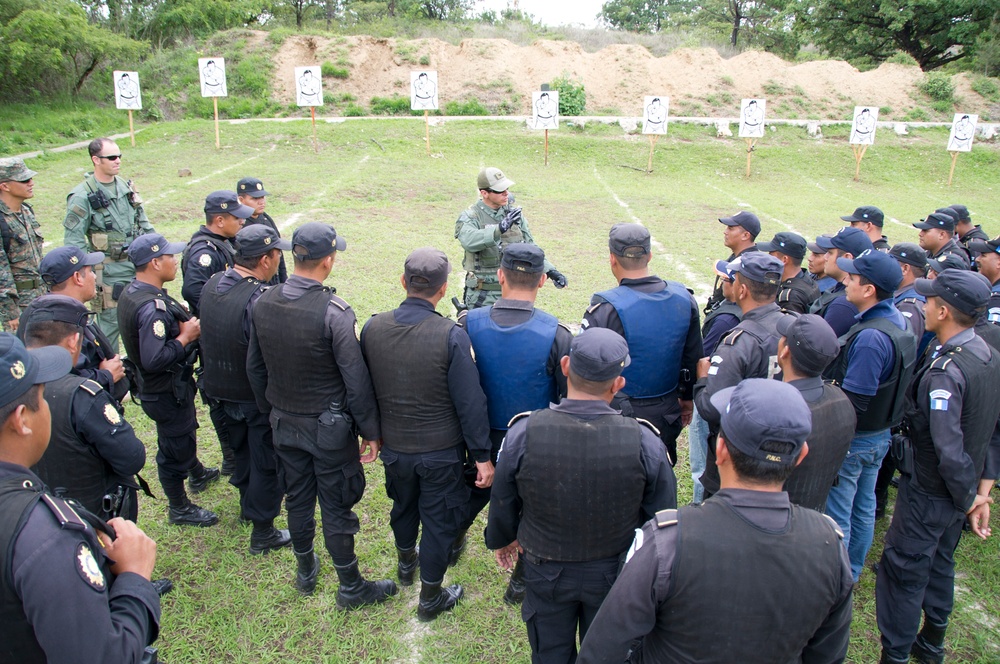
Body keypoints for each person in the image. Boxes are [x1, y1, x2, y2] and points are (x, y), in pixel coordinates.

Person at [577, 379, 853, 664]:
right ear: (800, 456)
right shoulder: (831, 545)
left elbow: (603, 648)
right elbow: (828, 654)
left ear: (720, 450)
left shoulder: (668, 543)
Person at [486, 328, 675, 664]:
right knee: (605, 652)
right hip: (614, 573)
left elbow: (503, 498)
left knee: (550, 652)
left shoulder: (523, 433)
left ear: (564, 366)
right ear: (618, 384)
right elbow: (660, 518)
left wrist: (503, 538)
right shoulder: (645, 442)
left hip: (545, 569)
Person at [247, 222, 396, 607]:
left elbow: (255, 367)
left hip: (284, 421)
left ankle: (306, 572)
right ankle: (350, 586)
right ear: (327, 262)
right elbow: (356, 380)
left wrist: (274, 409)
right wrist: (371, 431)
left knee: (297, 497)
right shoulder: (334, 313)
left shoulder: (263, 301)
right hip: (327, 429)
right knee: (335, 504)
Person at [0, 333, 161, 662]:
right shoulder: (45, 537)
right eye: (43, 398)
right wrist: (134, 578)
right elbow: (104, 656)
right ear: (21, 420)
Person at [361, 247, 493, 620]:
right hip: (441, 453)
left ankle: (406, 564)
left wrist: (372, 432)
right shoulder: (450, 336)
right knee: (438, 524)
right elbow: (471, 403)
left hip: (396, 449)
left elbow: (362, 387)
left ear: (403, 283)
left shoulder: (373, 327)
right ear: (443, 288)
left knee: (402, 507)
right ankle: (430, 598)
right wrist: (482, 457)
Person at [876, 270, 1000, 664]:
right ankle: (931, 642)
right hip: (955, 492)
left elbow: (949, 448)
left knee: (903, 574)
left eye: (930, 301)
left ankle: (895, 655)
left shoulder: (948, 372)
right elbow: (991, 429)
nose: (923, 305)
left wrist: (967, 498)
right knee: (941, 563)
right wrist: (981, 492)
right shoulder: (986, 354)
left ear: (944, 311)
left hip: (932, 492)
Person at [457, 242, 572, 603]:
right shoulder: (558, 334)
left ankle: (448, 544)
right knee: (535, 513)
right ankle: (521, 582)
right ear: (540, 282)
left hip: (479, 441)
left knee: (467, 497)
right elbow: (566, 399)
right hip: (535, 444)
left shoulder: (465, 325)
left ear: (500, 275)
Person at [198, 225, 291, 555]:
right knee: (265, 460)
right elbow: (266, 356)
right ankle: (263, 530)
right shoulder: (259, 299)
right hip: (252, 396)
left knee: (240, 453)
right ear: (266, 259)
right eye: (278, 255)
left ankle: (247, 505)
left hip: (219, 390)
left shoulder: (212, 285)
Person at [823, 249, 916, 582]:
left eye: (853, 277)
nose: (845, 280)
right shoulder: (895, 319)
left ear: (869, 289)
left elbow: (855, 400)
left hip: (858, 439)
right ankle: (854, 570)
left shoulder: (871, 338)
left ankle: (837, 578)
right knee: (863, 506)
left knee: (840, 510)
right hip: (880, 434)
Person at [118, 233, 220, 527]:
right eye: (169, 257)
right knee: (175, 447)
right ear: (154, 262)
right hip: (164, 390)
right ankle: (180, 507)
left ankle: (197, 471)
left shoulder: (136, 292)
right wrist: (186, 337)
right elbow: (153, 359)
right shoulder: (152, 307)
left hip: (162, 389)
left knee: (182, 435)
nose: (175, 262)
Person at [581, 223, 702, 464]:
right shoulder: (684, 298)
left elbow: (588, 369)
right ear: (649, 255)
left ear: (612, 259)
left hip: (616, 415)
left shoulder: (606, 308)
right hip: (666, 412)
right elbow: (692, 356)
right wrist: (687, 397)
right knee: (661, 473)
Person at [21, 297, 146, 521]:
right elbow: (132, 458)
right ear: (73, 341)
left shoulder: (10, 387)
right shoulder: (82, 395)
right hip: (91, 519)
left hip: (35, 516)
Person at [694, 252, 787, 499]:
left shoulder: (738, 343)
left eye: (732, 279)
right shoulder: (791, 327)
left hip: (738, 456)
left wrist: (703, 379)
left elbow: (711, 408)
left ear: (742, 290)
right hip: (779, 448)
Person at [182, 190, 253, 477]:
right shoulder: (204, 251)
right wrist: (226, 310)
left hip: (225, 332)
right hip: (215, 336)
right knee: (222, 397)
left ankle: (234, 457)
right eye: (237, 218)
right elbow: (194, 291)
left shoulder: (222, 242)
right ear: (219, 219)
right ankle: (232, 458)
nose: (242, 223)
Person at [64, 138, 154, 352]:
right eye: (112, 157)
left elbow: (143, 222)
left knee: (142, 319)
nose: (117, 161)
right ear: (96, 160)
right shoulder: (82, 196)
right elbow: (74, 242)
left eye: (119, 156)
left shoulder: (125, 187)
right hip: (108, 274)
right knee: (110, 328)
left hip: (136, 268)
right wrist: (86, 276)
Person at [18, 246, 128, 403]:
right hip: (81, 412)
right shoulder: (62, 322)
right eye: (90, 271)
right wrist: (106, 375)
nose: (95, 277)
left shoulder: (37, 310)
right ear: (77, 277)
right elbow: (61, 378)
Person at [454, 167, 566, 309]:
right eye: (500, 190)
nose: (506, 193)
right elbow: (469, 241)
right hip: (483, 294)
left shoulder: (513, 215)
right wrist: (498, 229)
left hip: (515, 292)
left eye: (506, 188)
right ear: (484, 193)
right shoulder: (471, 216)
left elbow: (530, 246)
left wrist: (550, 271)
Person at [776, 314, 856, 511]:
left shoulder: (778, 413)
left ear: (785, 351)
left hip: (778, 519)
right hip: (815, 513)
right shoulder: (842, 400)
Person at [690, 259, 743, 504]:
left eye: (726, 279)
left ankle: (700, 507)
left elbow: (705, 358)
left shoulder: (726, 320)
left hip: (713, 397)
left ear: (741, 287)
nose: (721, 283)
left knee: (702, 466)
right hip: (737, 407)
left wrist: (700, 378)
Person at [0, 158, 45, 332]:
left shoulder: (26, 211)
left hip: (40, 297)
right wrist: (10, 312)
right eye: (24, 180)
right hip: (19, 305)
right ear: (5, 186)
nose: (31, 183)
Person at [809, 227, 874, 336]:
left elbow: (819, 347)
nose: (825, 257)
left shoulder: (844, 305)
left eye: (830, 253)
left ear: (847, 258)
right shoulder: (840, 288)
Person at [704, 210, 759, 315]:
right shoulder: (739, 256)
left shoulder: (747, 265)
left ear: (745, 235)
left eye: (731, 228)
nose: (725, 232)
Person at [237, 177, 287, 285]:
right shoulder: (238, 226)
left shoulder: (266, 219)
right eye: (255, 199)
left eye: (262, 197)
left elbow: (279, 255)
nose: (261, 202)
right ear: (241, 200)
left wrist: (284, 283)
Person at [757, 231, 820, 314]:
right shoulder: (806, 279)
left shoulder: (790, 298)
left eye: (771, 254)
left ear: (784, 260)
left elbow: (787, 326)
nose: (768, 257)